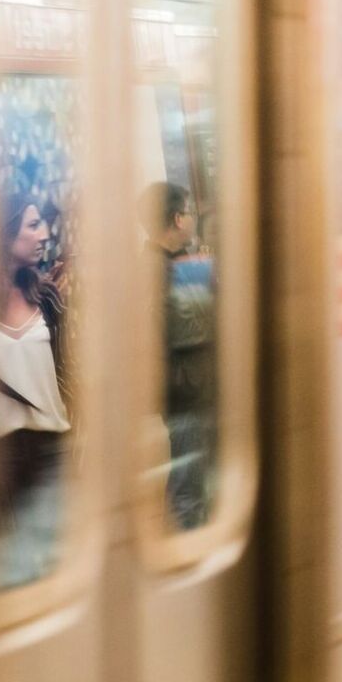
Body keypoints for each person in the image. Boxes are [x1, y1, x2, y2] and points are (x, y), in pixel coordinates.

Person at [0, 193, 72, 589]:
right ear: (4, 236)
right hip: (1, 456)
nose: (45, 234)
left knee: (55, 564)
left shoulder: (48, 299)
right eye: (33, 225)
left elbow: (68, 368)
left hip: (53, 444)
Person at [141, 182, 217, 528]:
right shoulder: (156, 272)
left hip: (191, 390)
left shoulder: (177, 263)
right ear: (177, 218)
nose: (193, 218)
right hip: (185, 393)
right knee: (190, 487)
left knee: (194, 476)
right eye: (189, 212)